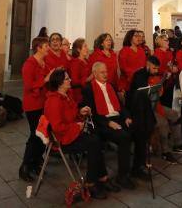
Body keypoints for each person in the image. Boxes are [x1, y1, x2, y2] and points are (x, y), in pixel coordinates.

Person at [43, 69, 114, 199]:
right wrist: (76, 126)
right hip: (62, 139)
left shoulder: (66, 95)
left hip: (71, 132)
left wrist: (80, 112)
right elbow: (58, 127)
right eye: (66, 79)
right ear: (59, 83)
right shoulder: (53, 101)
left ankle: (102, 177)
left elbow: (71, 114)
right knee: (94, 143)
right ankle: (91, 183)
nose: (70, 80)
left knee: (97, 139)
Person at [81, 62, 136, 189]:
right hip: (102, 121)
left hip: (117, 117)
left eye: (106, 72)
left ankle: (137, 167)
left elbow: (120, 106)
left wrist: (127, 117)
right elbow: (92, 113)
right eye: (102, 72)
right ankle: (122, 176)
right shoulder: (89, 89)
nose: (106, 74)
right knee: (124, 137)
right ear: (94, 74)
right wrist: (108, 123)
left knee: (138, 130)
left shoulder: (110, 85)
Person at [129, 55, 180, 162]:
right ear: (147, 65)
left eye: (157, 68)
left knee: (175, 115)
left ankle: (178, 144)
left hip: (156, 104)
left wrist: (162, 83)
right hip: (144, 108)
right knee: (163, 123)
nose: (156, 71)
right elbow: (141, 95)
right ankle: (165, 151)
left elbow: (159, 94)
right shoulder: (139, 75)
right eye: (154, 68)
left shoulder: (155, 75)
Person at [19, 37, 54, 182]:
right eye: (46, 46)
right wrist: (45, 80)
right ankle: (25, 167)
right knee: (35, 135)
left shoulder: (44, 63)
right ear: (38, 47)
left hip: (43, 103)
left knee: (43, 135)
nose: (48, 48)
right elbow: (29, 85)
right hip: (33, 104)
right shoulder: (29, 64)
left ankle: (35, 163)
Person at [118, 29, 147, 94]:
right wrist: (136, 76)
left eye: (139, 36)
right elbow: (123, 68)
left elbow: (144, 65)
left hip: (141, 81)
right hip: (128, 82)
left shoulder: (141, 50)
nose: (138, 38)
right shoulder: (124, 50)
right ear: (130, 38)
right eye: (136, 36)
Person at [69, 38, 91, 102]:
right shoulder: (75, 62)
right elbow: (74, 81)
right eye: (85, 46)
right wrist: (88, 79)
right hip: (80, 94)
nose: (87, 49)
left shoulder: (87, 61)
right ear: (78, 49)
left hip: (88, 91)